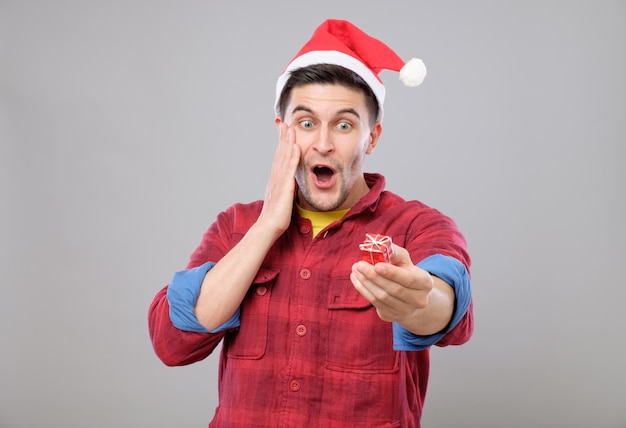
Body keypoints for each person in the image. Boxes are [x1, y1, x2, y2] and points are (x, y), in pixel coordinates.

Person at [148, 19, 473, 428]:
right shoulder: (237, 226)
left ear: (371, 138)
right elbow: (171, 343)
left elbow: (450, 310)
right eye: (306, 123)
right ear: (283, 132)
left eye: (343, 125)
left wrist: (417, 299)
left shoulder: (417, 225)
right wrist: (267, 226)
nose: (322, 143)